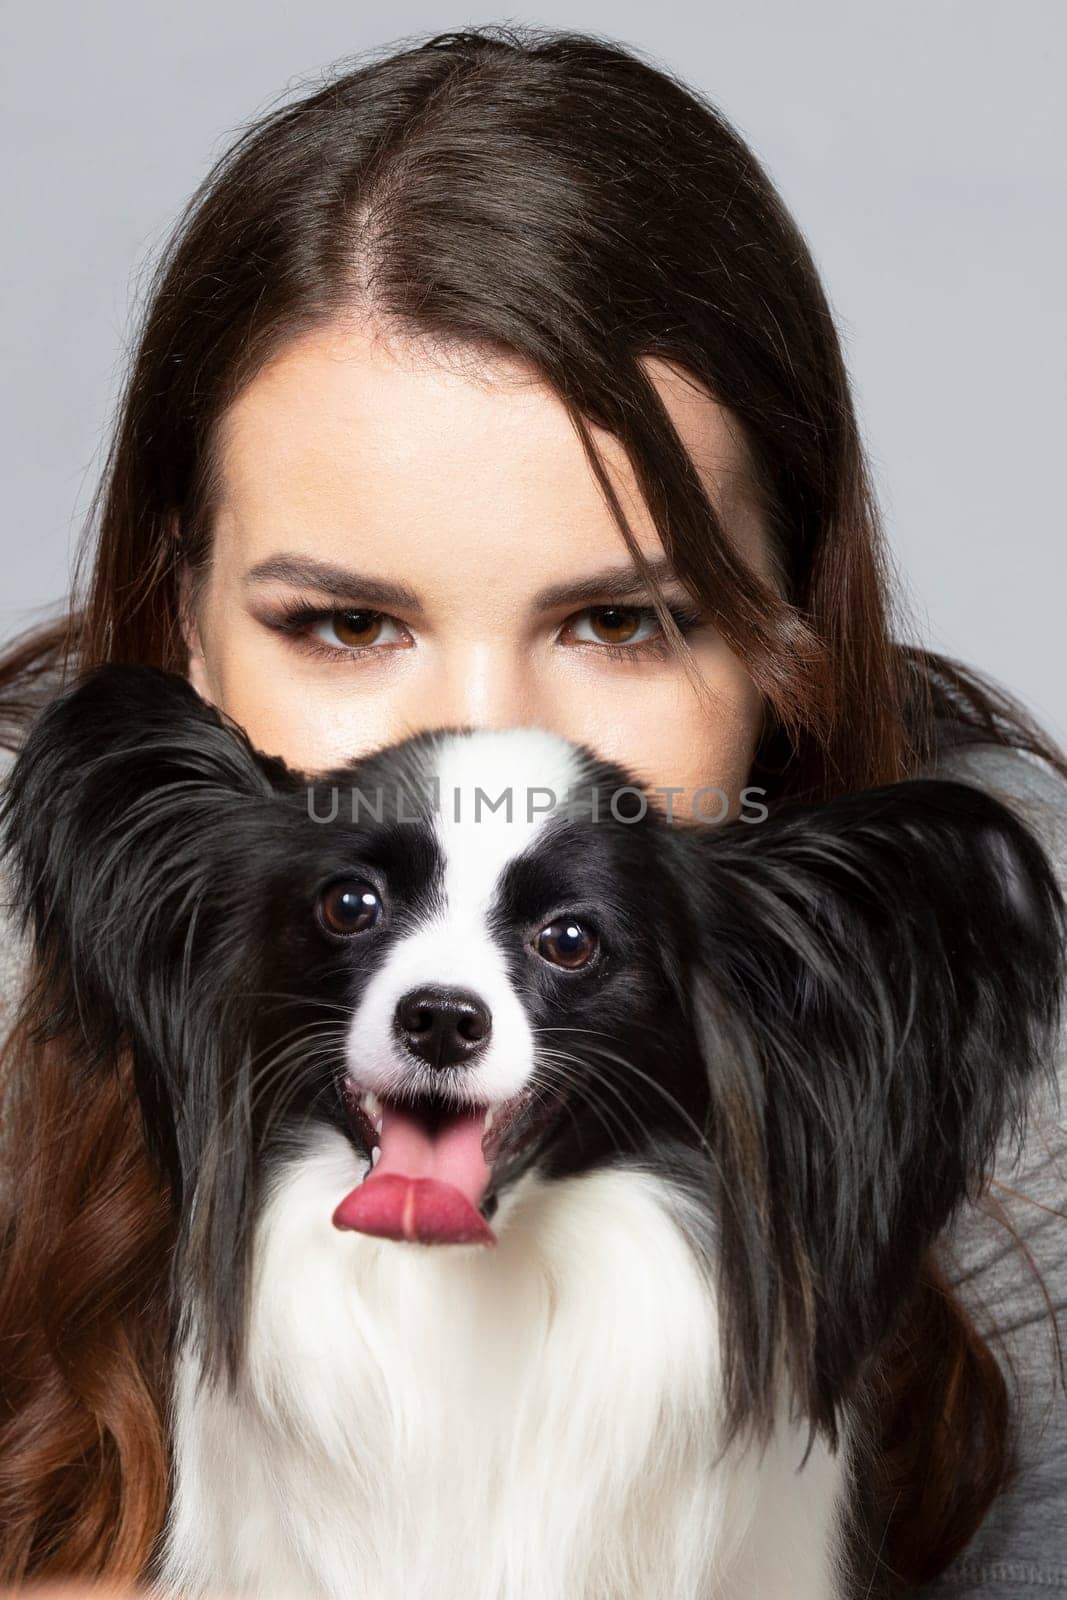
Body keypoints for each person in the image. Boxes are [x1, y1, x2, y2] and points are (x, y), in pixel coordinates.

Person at [0, 23, 1063, 1598]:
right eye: (347, 625)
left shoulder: (1027, 1121)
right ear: (182, 629)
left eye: (625, 624)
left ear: (787, 659)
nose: (486, 742)